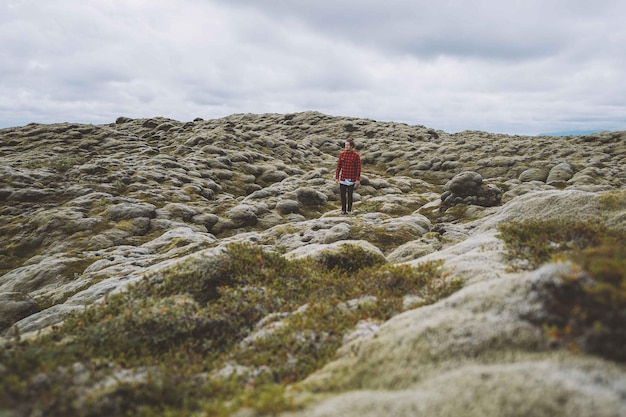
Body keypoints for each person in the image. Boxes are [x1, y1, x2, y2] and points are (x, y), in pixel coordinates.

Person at [335, 139, 361, 214]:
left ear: (351, 146)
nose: (346, 146)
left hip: (352, 179)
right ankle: (343, 210)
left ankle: (349, 210)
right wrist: (337, 177)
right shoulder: (342, 154)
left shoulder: (356, 156)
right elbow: (338, 167)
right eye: (345, 145)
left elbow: (358, 168)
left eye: (347, 145)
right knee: (343, 195)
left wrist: (357, 179)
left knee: (350, 196)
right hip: (343, 178)